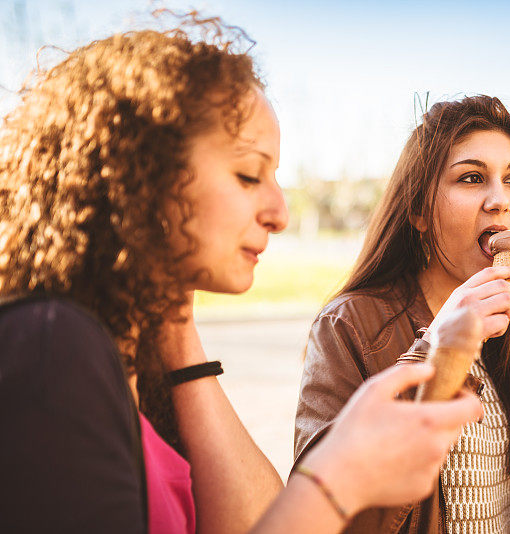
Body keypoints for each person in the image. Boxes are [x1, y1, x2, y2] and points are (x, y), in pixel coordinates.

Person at [0, 17, 484, 534]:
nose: (280, 212)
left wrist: (174, 317)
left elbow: (249, 521)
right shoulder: (52, 348)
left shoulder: (138, 349)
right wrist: (338, 478)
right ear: (140, 173)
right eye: (249, 175)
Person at [294, 95, 510, 533]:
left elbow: (480, 501)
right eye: (473, 178)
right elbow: (324, 511)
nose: (501, 200)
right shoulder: (350, 324)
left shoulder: (503, 329)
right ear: (419, 209)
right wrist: (439, 346)